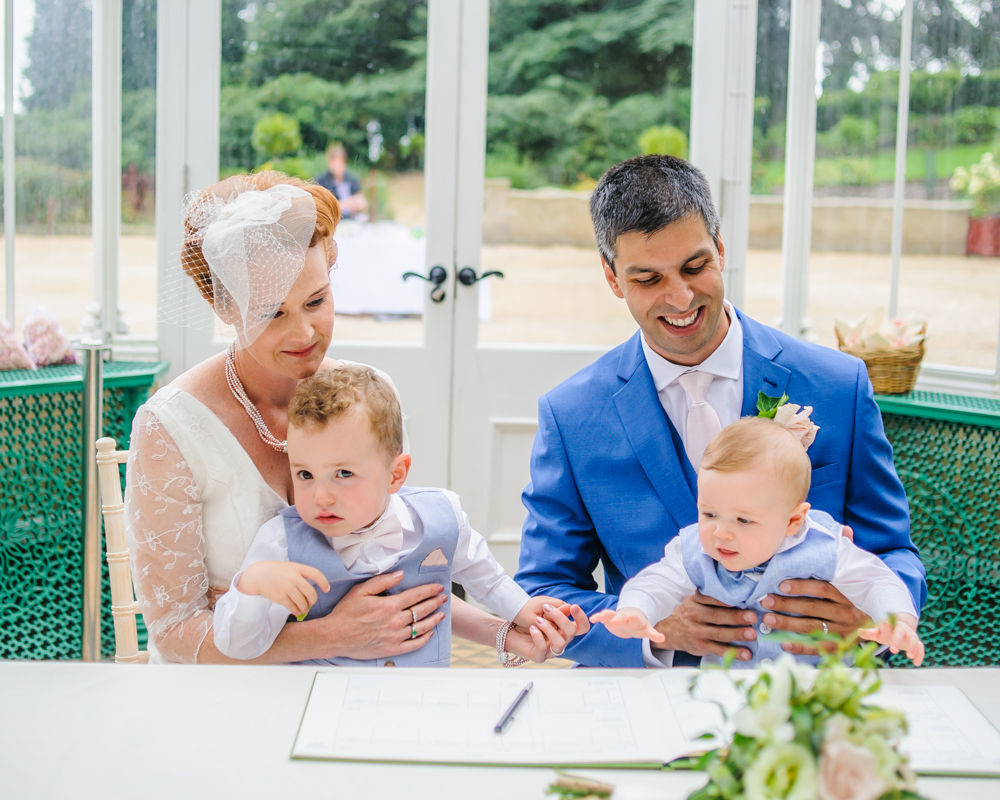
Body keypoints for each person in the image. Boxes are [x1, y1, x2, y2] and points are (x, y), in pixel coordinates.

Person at [126, 171, 578, 664]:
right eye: (272, 313)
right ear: (225, 306)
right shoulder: (170, 427)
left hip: (354, 689)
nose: (305, 332)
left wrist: (503, 632)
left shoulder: (366, 393)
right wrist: (330, 638)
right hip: (226, 696)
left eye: (317, 301)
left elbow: (392, 577)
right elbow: (173, 631)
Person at [515, 154, 926, 668]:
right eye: (648, 279)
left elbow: (893, 551)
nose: (681, 297)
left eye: (695, 267)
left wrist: (867, 619)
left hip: (811, 695)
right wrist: (655, 631)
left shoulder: (838, 384)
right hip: (653, 702)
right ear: (612, 277)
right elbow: (544, 588)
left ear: (721, 249)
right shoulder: (573, 415)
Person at [214, 365, 585, 665]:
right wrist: (251, 587)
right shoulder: (280, 542)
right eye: (305, 474)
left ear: (396, 474)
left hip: (422, 700)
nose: (320, 496)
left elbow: (485, 579)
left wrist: (524, 610)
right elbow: (240, 647)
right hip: (320, 706)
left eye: (343, 474)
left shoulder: (442, 515)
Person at [591, 416, 924, 667]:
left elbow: (878, 582)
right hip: (724, 695)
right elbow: (655, 582)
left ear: (793, 519)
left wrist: (898, 622)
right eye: (708, 514)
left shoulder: (823, 546)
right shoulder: (695, 549)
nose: (721, 532)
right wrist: (635, 610)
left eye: (744, 520)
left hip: (814, 696)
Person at [314, 143, 368, 221]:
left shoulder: (351, 179)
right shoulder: (322, 181)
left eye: (340, 162)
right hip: (333, 222)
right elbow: (322, 206)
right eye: (335, 163)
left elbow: (362, 202)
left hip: (352, 220)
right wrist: (347, 204)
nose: (338, 166)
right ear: (330, 163)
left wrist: (343, 204)